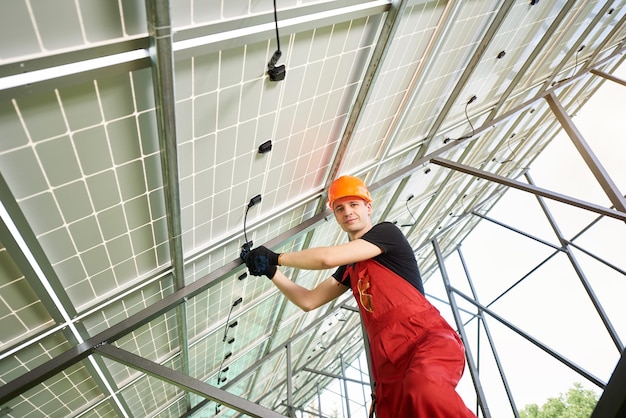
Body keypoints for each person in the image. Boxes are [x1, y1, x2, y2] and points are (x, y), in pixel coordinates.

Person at [243, 176, 476, 417]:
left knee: (425, 387)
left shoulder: (387, 234)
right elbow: (308, 300)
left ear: (368, 207)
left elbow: (327, 258)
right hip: (386, 360)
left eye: (354, 204)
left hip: (422, 337)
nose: (347, 212)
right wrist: (271, 272)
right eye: (339, 208)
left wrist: (276, 257)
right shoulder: (350, 268)